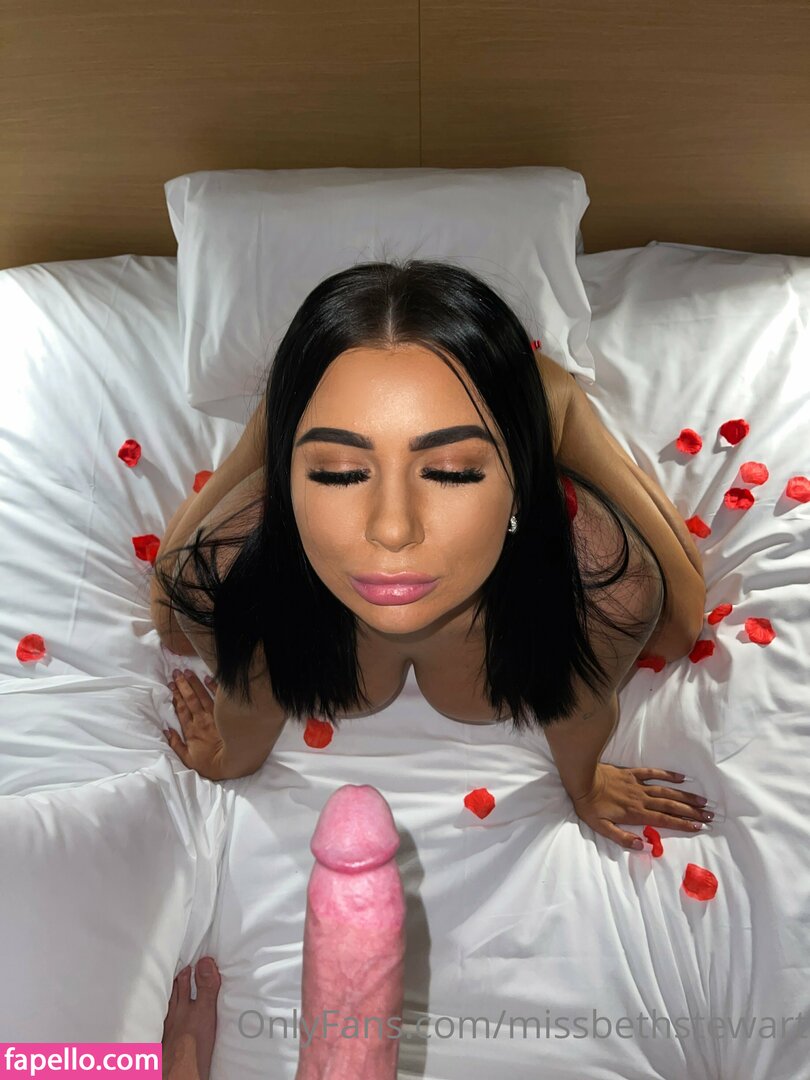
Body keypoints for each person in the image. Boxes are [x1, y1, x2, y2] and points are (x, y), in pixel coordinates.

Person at [152, 258, 709, 848]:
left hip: (534, 457)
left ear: (523, 483)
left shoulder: (608, 587)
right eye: (338, 472)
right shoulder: (221, 576)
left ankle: (546, 403)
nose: (393, 530)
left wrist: (587, 787)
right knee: (174, 623)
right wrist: (228, 758)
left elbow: (662, 640)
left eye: (451, 471)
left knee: (672, 630)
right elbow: (202, 655)